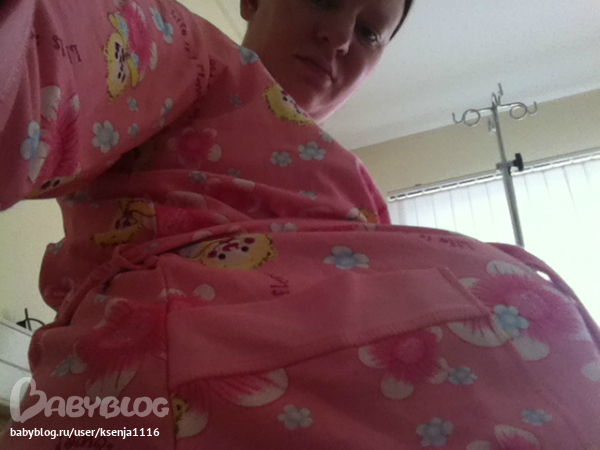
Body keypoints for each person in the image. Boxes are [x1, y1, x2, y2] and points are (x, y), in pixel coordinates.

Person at [0, 0, 599, 448]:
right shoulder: (193, 55)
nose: (339, 37)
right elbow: (53, 59)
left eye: (369, 31)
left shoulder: (354, 191)